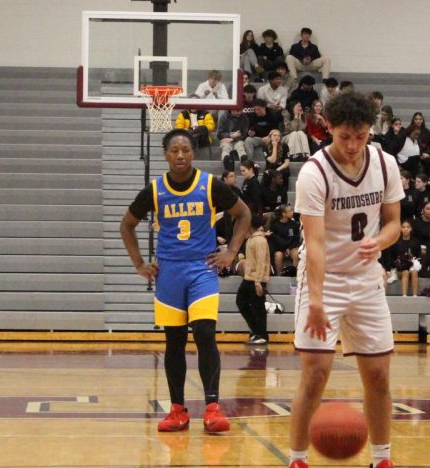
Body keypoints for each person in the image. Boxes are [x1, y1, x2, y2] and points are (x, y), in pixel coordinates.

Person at [282, 90, 410, 468]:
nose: (353, 145)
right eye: (345, 137)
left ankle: (382, 464)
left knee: (379, 376)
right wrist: (316, 301)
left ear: (370, 132)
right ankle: (297, 464)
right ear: (329, 130)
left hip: (367, 278)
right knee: (316, 373)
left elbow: (393, 224)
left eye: (360, 136)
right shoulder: (313, 173)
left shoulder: (385, 164)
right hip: (326, 279)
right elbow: (314, 244)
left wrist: (382, 243)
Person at [120, 130, 252, 435]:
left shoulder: (210, 185)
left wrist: (231, 251)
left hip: (201, 269)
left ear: (193, 153)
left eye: (186, 150)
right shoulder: (154, 190)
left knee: (205, 332)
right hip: (169, 273)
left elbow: (243, 214)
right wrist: (139, 264)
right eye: (175, 151)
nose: (181, 156)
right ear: (166, 154)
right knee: (174, 341)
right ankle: (177, 410)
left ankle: (211, 407)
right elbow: (126, 225)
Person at [236, 214, 270, 345]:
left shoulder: (259, 240)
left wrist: (258, 282)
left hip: (256, 279)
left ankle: (261, 334)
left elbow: (262, 262)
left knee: (258, 307)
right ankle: (257, 331)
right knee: (241, 302)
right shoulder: (251, 239)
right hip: (249, 277)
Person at [384, 219, 422, 297]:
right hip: (399, 269)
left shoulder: (416, 242)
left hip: (412, 267)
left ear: (411, 229)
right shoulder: (396, 242)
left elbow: (418, 257)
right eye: (403, 227)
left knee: (414, 272)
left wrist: (413, 264)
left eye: (408, 227)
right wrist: (397, 264)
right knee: (405, 272)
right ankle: (404, 295)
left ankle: (415, 295)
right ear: (400, 229)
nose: (405, 229)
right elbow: (391, 257)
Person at [269, 204, 301, 277]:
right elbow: (274, 241)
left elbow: (296, 240)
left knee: (296, 253)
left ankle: (295, 275)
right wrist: (284, 249)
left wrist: (289, 248)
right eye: (290, 211)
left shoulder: (294, 224)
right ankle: (279, 276)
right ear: (283, 214)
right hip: (279, 248)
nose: (292, 212)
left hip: (291, 247)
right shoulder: (275, 225)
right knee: (278, 255)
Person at [245, 100, 282, 164]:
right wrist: (250, 133)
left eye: (258, 109)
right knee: (248, 140)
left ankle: (274, 162)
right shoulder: (252, 116)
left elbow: (277, 131)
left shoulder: (273, 115)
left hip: (270, 137)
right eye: (255, 109)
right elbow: (249, 130)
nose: (256, 111)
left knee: (275, 139)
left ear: (264, 107)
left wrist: (269, 137)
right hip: (258, 138)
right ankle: (249, 162)